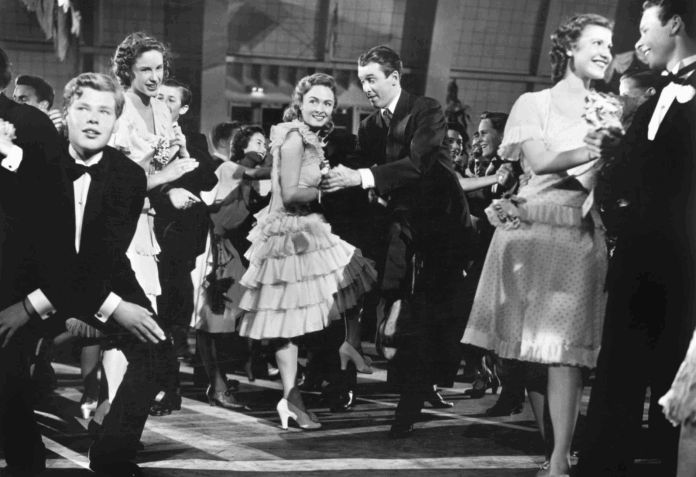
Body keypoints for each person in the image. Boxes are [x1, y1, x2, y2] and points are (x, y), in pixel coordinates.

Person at [461, 14, 621, 477]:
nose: (606, 52)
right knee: (529, 355)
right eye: (596, 42)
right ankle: (553, 449)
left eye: (610, 45)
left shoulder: (608, 108)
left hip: (578, 235)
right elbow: (542, 160)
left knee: (564, 353)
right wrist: (600, 147)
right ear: (569, 48)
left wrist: (617, 149)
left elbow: (608, 177)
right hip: (530, 234)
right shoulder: (533, 103)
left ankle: (560, 460)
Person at [1, 71, 172, 477]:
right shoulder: (35, 166)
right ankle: (25, 458)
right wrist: (29, 303)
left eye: (104, 111)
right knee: (5, 353)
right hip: (37, 279)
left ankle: (113, 452)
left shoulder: (129, 176)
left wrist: (116, 307)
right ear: (67, 114)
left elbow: (104, 257)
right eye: (83, 109)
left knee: (158, 350)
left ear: (115, 120)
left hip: (105, 279)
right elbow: (41, 254)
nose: (93, 119)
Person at [322, 46, 472, 438]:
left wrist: (361, 178)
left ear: (394, 77)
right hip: (400, 227)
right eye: (362, 81)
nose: (366, 88)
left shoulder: (426, 109)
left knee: (428, 312)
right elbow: (361, 168)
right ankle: (410, 388)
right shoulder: (370, 125)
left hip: (440, 229)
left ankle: (413, 398)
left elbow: (419, 165)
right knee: (397, 310)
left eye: (372, 79)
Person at [578, 1, 696, 475]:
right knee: (620, 367)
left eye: (647, 30)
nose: (640, 41)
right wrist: (613, 149)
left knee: (672, 374)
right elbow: (634, 172)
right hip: (640, 255)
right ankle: (604, 463)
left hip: (682, 259)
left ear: (675, 24)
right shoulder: (655, 97)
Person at [237, 73, 377, 430]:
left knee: (346, 283)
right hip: (291, 233)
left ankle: (308, 382)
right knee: (292, 320)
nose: (321, 108)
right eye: (314, 101)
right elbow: (289, 194)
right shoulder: (294, 138)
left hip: (305, 227)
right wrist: (331, 189)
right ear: (299, 103)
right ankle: (293, 395)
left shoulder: (306, 137)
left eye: (327, 103)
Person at [0, 45, 61, 477]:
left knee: (10, 388)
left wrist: (34, 300)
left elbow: (54, 208)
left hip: (10, 278)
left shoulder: (29, 124)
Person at [149, 78, 219, 416]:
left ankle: (169, 386)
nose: (162, 102)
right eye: (158, 96)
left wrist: (185, 149)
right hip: (142, 229)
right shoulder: (140, 133)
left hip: (177, 239)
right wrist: (167, 192)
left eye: (170, 99)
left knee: (172, 312)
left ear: (184, 107)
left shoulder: (194, 138)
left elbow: (209, 180)